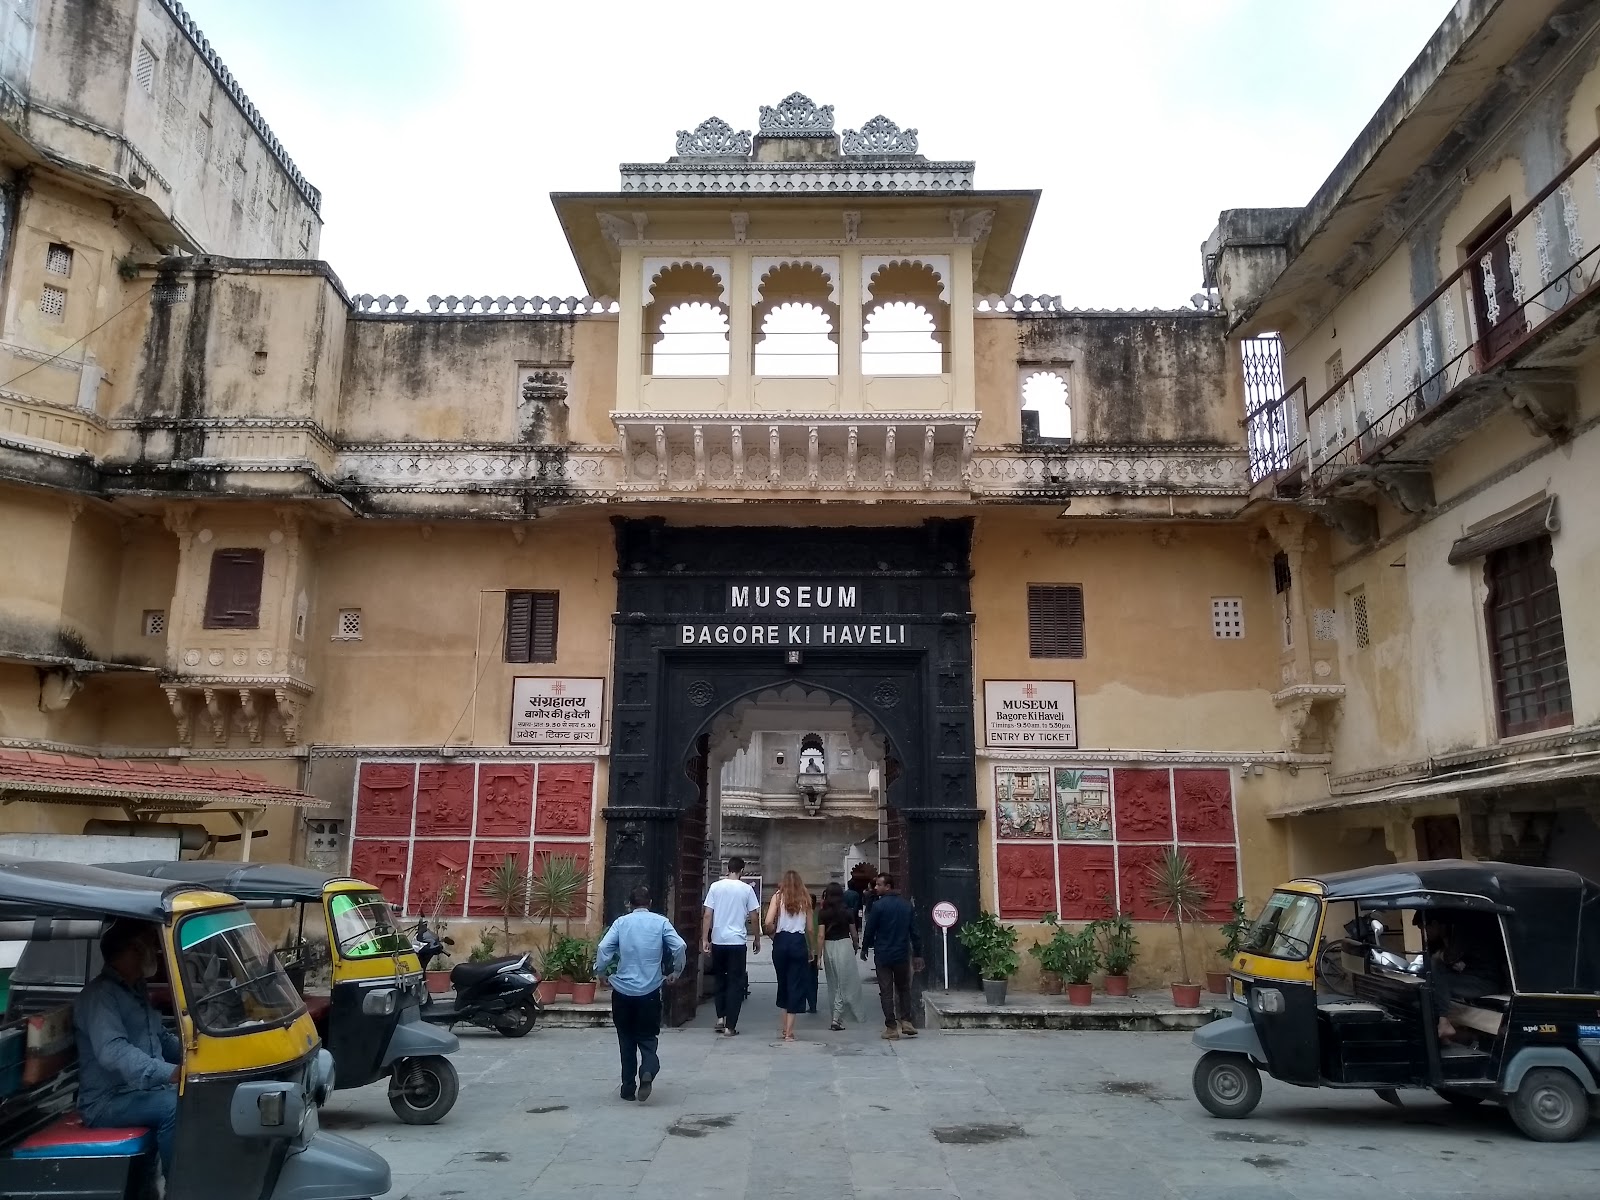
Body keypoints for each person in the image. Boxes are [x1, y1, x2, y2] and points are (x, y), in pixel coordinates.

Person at [74, 920, 181, 1176]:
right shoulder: (100, 995)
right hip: (106, 1103)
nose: (154, 951)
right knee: (174, 1107)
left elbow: (162, 1038)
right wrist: (169, 1072)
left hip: (139, 1093)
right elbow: (113, 1051)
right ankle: (179, 1187)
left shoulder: (135, 989)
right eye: (149, 944)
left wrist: (197, 1056)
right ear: (133, 949)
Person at [594, 886, 686, 1102]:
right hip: (650, 991)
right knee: (647, 1038)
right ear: (650, 902)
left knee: (625, 1039)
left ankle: (627, 1088)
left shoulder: (621, 923)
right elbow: (680, 946)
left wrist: (601, 972)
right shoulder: (661, 922)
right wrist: (676, 971)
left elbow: (603, 948)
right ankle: (648, 1068)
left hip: (623, 992)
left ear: (630, 904)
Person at [700, 857, 761, 1037]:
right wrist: (757, 938)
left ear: (728, 869)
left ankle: (720, 1017)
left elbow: (707, 915)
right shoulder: (747, 889)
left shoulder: (715, 887)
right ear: (742, 870)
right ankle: (730, 1026)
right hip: (737, 942)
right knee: (735, 983)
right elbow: (754, 916)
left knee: (720, 979)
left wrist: (705, 938)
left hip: (719, 940)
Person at [861, 873, 924, 1040]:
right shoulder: (906, 906)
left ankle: (891, 1027)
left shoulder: (878, 906)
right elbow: (915, 932)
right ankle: (906, 1020)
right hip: (901, 953)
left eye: (879, 885)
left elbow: (870, 929)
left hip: (883, 955)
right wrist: (918, 954)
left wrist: (864, 947)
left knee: (886, 991)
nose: (875, 888)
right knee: (904, 988)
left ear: (887, 886)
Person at [764, 870, 816, 1041]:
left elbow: (768, 922)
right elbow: (809, 928)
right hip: (798, 942)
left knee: (783, 983)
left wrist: (774, 936)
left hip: (781, 941)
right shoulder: (805, 899)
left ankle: (783, 1027)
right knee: (795, 984)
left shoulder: (778, 897)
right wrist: (812, 949)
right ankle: (789, 1032)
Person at [818, 882, 866, 1031]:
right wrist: (856, 945)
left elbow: (820, 935)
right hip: (844, 945)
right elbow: (854, 933)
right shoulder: (847, 911)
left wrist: (818, 955)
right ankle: (837, 1018)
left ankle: (836, 1016)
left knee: (833, 983)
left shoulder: (823, 913)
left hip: (828, 946)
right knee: (844, 982)